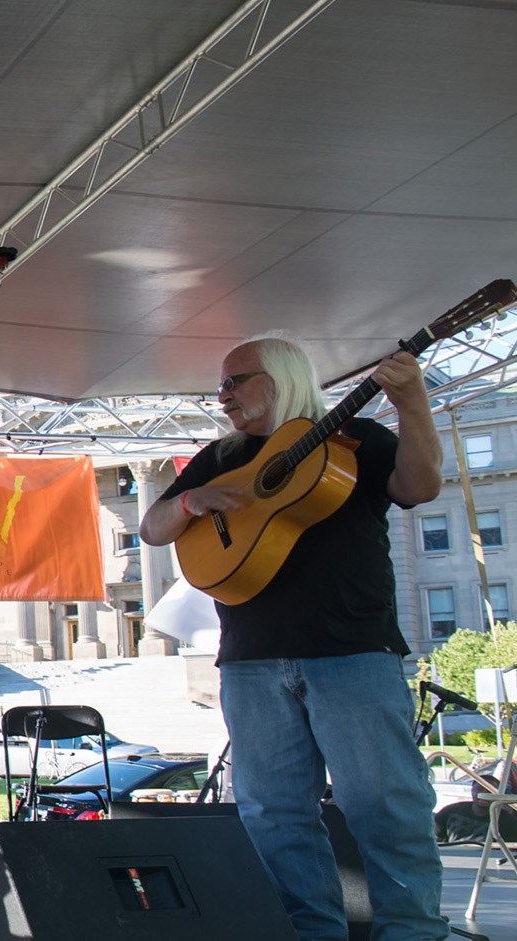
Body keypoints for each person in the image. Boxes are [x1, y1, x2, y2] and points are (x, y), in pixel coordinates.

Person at [139, 334, 447, 940]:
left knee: (385, 807)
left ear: (279, 378)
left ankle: (413, 933)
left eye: (236, 381)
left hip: (353, 651)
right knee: (273, 814)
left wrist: (413, 404)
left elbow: (419, 488)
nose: (223, 395)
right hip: (251, 658)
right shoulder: (222, 454)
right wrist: (192, 500)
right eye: (222, 384)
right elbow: (152, 526)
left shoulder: (358, 440)